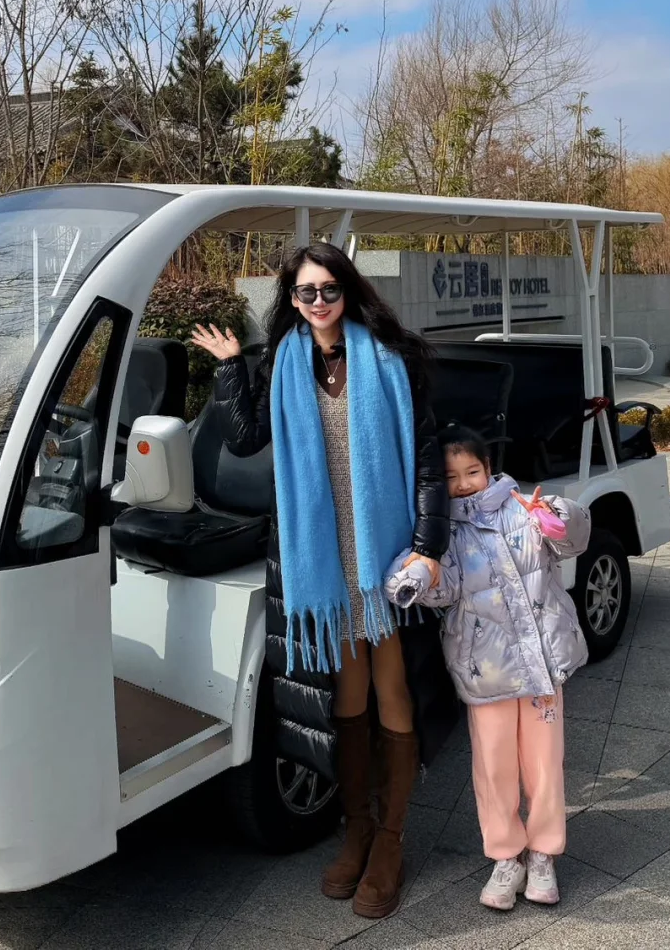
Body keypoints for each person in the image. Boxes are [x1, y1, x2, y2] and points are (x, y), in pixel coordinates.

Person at [191, 242, 450, 921]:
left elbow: (428, 460)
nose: (318, 301)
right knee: (348, 691)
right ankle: (356, 828)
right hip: (321, 558)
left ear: (348, 290)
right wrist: (229, 367)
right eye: (305, 292)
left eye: (329, 288)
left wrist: (429, 546)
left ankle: (390, 841)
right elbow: (245, 438)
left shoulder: (391, 359)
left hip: (382, 555)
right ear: (291, 297)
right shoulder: (283, 363)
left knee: (392, 687)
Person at [384, 426, 591, 912]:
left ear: (489, 468)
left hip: (541, 666)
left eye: (472, 471)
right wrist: (413, 576)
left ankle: (543, 854)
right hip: (486, 670)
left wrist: (556, 516)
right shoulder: (442, 533)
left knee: (544, 765)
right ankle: (505, 857)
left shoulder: (523, 508)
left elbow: (571, 540)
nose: (463, 484)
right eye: (451, 476)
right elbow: (437, 586)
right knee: (493, 768)